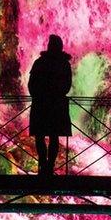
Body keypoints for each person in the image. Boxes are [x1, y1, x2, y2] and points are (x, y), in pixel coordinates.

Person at [28, 34, 72, 175]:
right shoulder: (64, 64)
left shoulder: (40, 62)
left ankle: (43, 165)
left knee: (39, 135)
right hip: (57, 105)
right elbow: (67, 85)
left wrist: (38, 95)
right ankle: (50, 167)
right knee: (54, 136)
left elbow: (31, 84)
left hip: (41, 104)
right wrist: (56, 94)